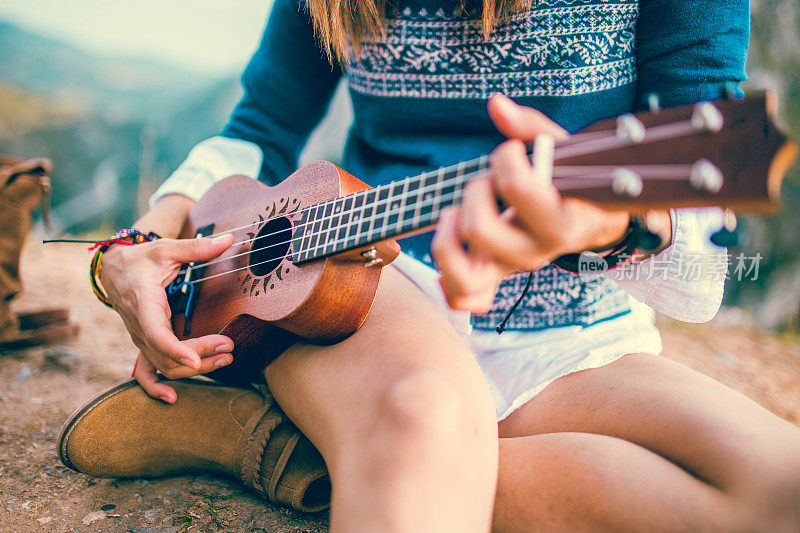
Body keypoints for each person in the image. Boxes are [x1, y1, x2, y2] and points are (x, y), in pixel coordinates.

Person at [59, 0, 800, 531]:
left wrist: (608, 222)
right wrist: (132, 248)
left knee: (779, 490)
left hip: (569, 331)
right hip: (367, 284)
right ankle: (383, 435)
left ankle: (297, 447)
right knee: (426, 413)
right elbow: (260, 128)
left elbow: (702, 255)